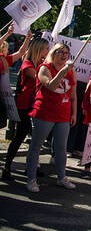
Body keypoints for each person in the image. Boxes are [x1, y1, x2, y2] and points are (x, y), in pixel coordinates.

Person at [25, 43, 77, 192]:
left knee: (61, 148)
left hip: (63, 115)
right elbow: (51, 85)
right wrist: (62, 72)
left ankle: (62, 178)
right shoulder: (44, 68)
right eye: (60, 52)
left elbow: (73, 95)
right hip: (44, 113)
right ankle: (31, 180)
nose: (63, 55)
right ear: (53, 53)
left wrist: (73, 114)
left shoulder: (71, 71)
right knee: (36, 147)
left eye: (66, 53)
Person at [2, 36, 45, 181]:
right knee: (19, 136)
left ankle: (32, 166)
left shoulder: (40, 63)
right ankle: (7, 167)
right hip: (25, 106)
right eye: (46, 48)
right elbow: (40, 80)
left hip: (36, 105)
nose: (48, 51)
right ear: (39, 49)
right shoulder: (28, 65)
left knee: (36, 138)